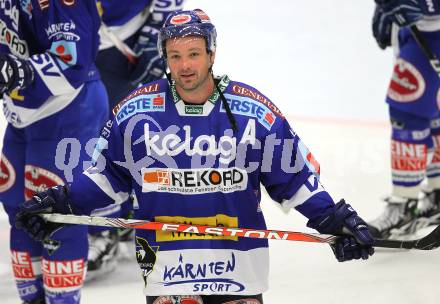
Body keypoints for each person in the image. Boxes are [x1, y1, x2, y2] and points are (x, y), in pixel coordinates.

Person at [15, 9, 374, 304]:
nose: (185, 66)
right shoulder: (135, 113)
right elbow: (108, 177)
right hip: (167, 267)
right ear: (165, 57)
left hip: (238, 265)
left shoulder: (253, 113)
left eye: (193, 54)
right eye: (175, 56)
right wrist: (62, 203)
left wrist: (335, 219)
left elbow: (294, 178)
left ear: (211, 54)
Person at [0, 1, 109, 303]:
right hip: (22, 111)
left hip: (68, 108)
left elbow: (71, 59)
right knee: (18, 210)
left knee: (56, 216)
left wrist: (16, 72)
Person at [84, 0, 186, 280]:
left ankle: (105, 226)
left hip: (120, 36)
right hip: (64, 33)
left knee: (109, 133)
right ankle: (113, 214)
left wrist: (159, 26)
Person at [368, 0, 440, 239]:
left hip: (431, 28)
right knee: (431, 109)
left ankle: (404, 204)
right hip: (419, 28)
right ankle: (437, 193)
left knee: (407, 112)